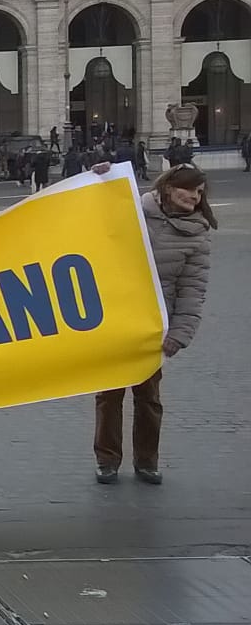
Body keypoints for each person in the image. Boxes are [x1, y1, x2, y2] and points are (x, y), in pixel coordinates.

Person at [89, 164, 215, 486]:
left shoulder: (197, 235)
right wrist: (101, 178)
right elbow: (93, 216)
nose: (195, 197)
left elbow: (192, 291)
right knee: (109, 395)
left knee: (149, 398)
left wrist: (180, 334)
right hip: (117, 318)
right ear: (170, 188)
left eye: (200, 193)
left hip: (154, 328)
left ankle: (147, 462)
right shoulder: (133, 208)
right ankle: (107, 460)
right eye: (190, 189)